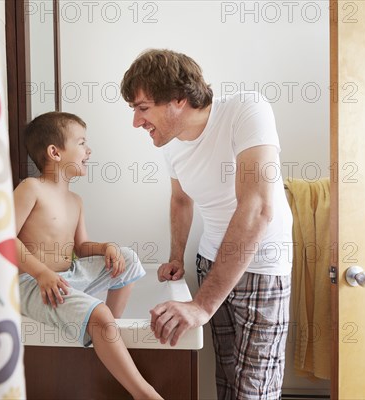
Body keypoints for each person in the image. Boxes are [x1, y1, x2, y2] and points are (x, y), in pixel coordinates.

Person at [121, 49, 293, 400]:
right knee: (228, 380)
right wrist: (175, 257)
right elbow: (181, 200)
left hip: (262, 265)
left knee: (254, 391)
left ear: (179, 99)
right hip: (210, 262)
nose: (137, 122)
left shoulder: (246, 109)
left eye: (142, 108)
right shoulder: (170, 146)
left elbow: (257, 207)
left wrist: (201, 306)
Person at [14, 111, 162, 400]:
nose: (88, 150)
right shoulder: (30, 188)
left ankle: (106, 333)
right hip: (35, 285)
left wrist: (106, 247)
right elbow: (4, 239)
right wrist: (41, 272)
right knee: (99, 313)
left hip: (68, 278)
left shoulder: (75, 200)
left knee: (128, 258)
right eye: (81, 142)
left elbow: (81, 248)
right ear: (55, 152)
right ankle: (144, 393)